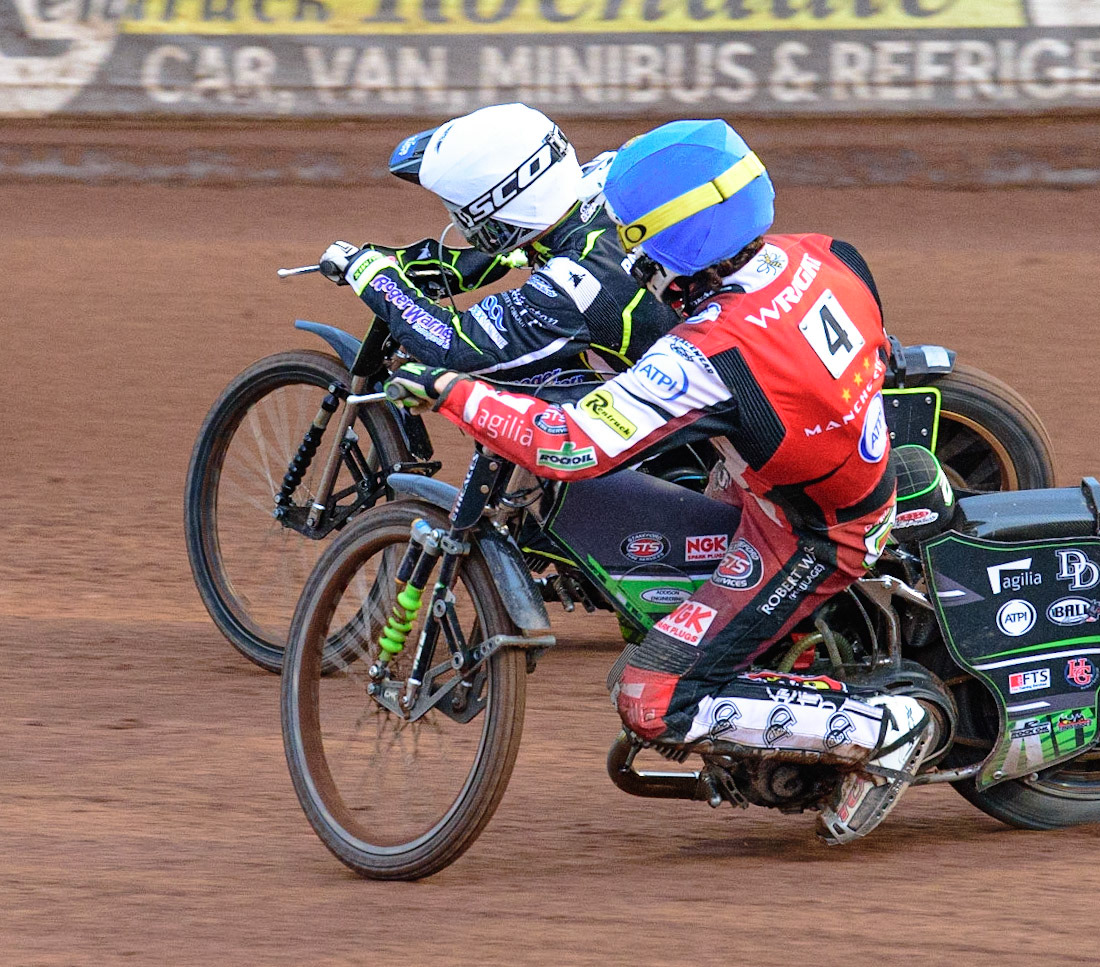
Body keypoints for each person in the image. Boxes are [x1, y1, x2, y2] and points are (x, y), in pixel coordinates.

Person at [348, 118, 939, 845]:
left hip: (811, 529)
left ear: (674, 244)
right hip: (807, 463)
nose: (621, 248)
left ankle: (885, 731)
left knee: (648, 694)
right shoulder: (820, 253)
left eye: (631, 236)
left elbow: (568, 446)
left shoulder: (706, 351)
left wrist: (449, 390)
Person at [316, 102, 679, 387]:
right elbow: (519, 239)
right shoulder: (603, 176)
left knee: (506, 401)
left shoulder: (568, 287)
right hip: (688, 361)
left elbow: (455, 345)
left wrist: (376, 277)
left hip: (676, 431)